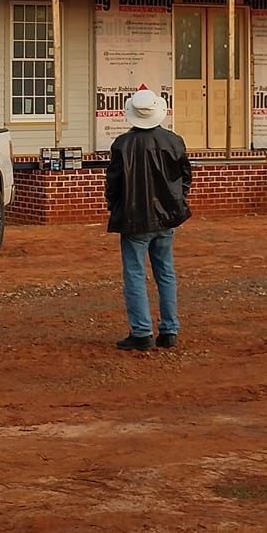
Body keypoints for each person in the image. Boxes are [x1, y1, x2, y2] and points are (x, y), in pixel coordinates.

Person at [104, 86, 192, 351]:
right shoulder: (174, 141)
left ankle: (141, 331)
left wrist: (115, 206)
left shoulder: (123, 144)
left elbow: (113, 183)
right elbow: (185, 179)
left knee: (134, 273)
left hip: (134, 218)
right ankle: (169, 329)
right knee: (165, 272)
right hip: (166, 217)